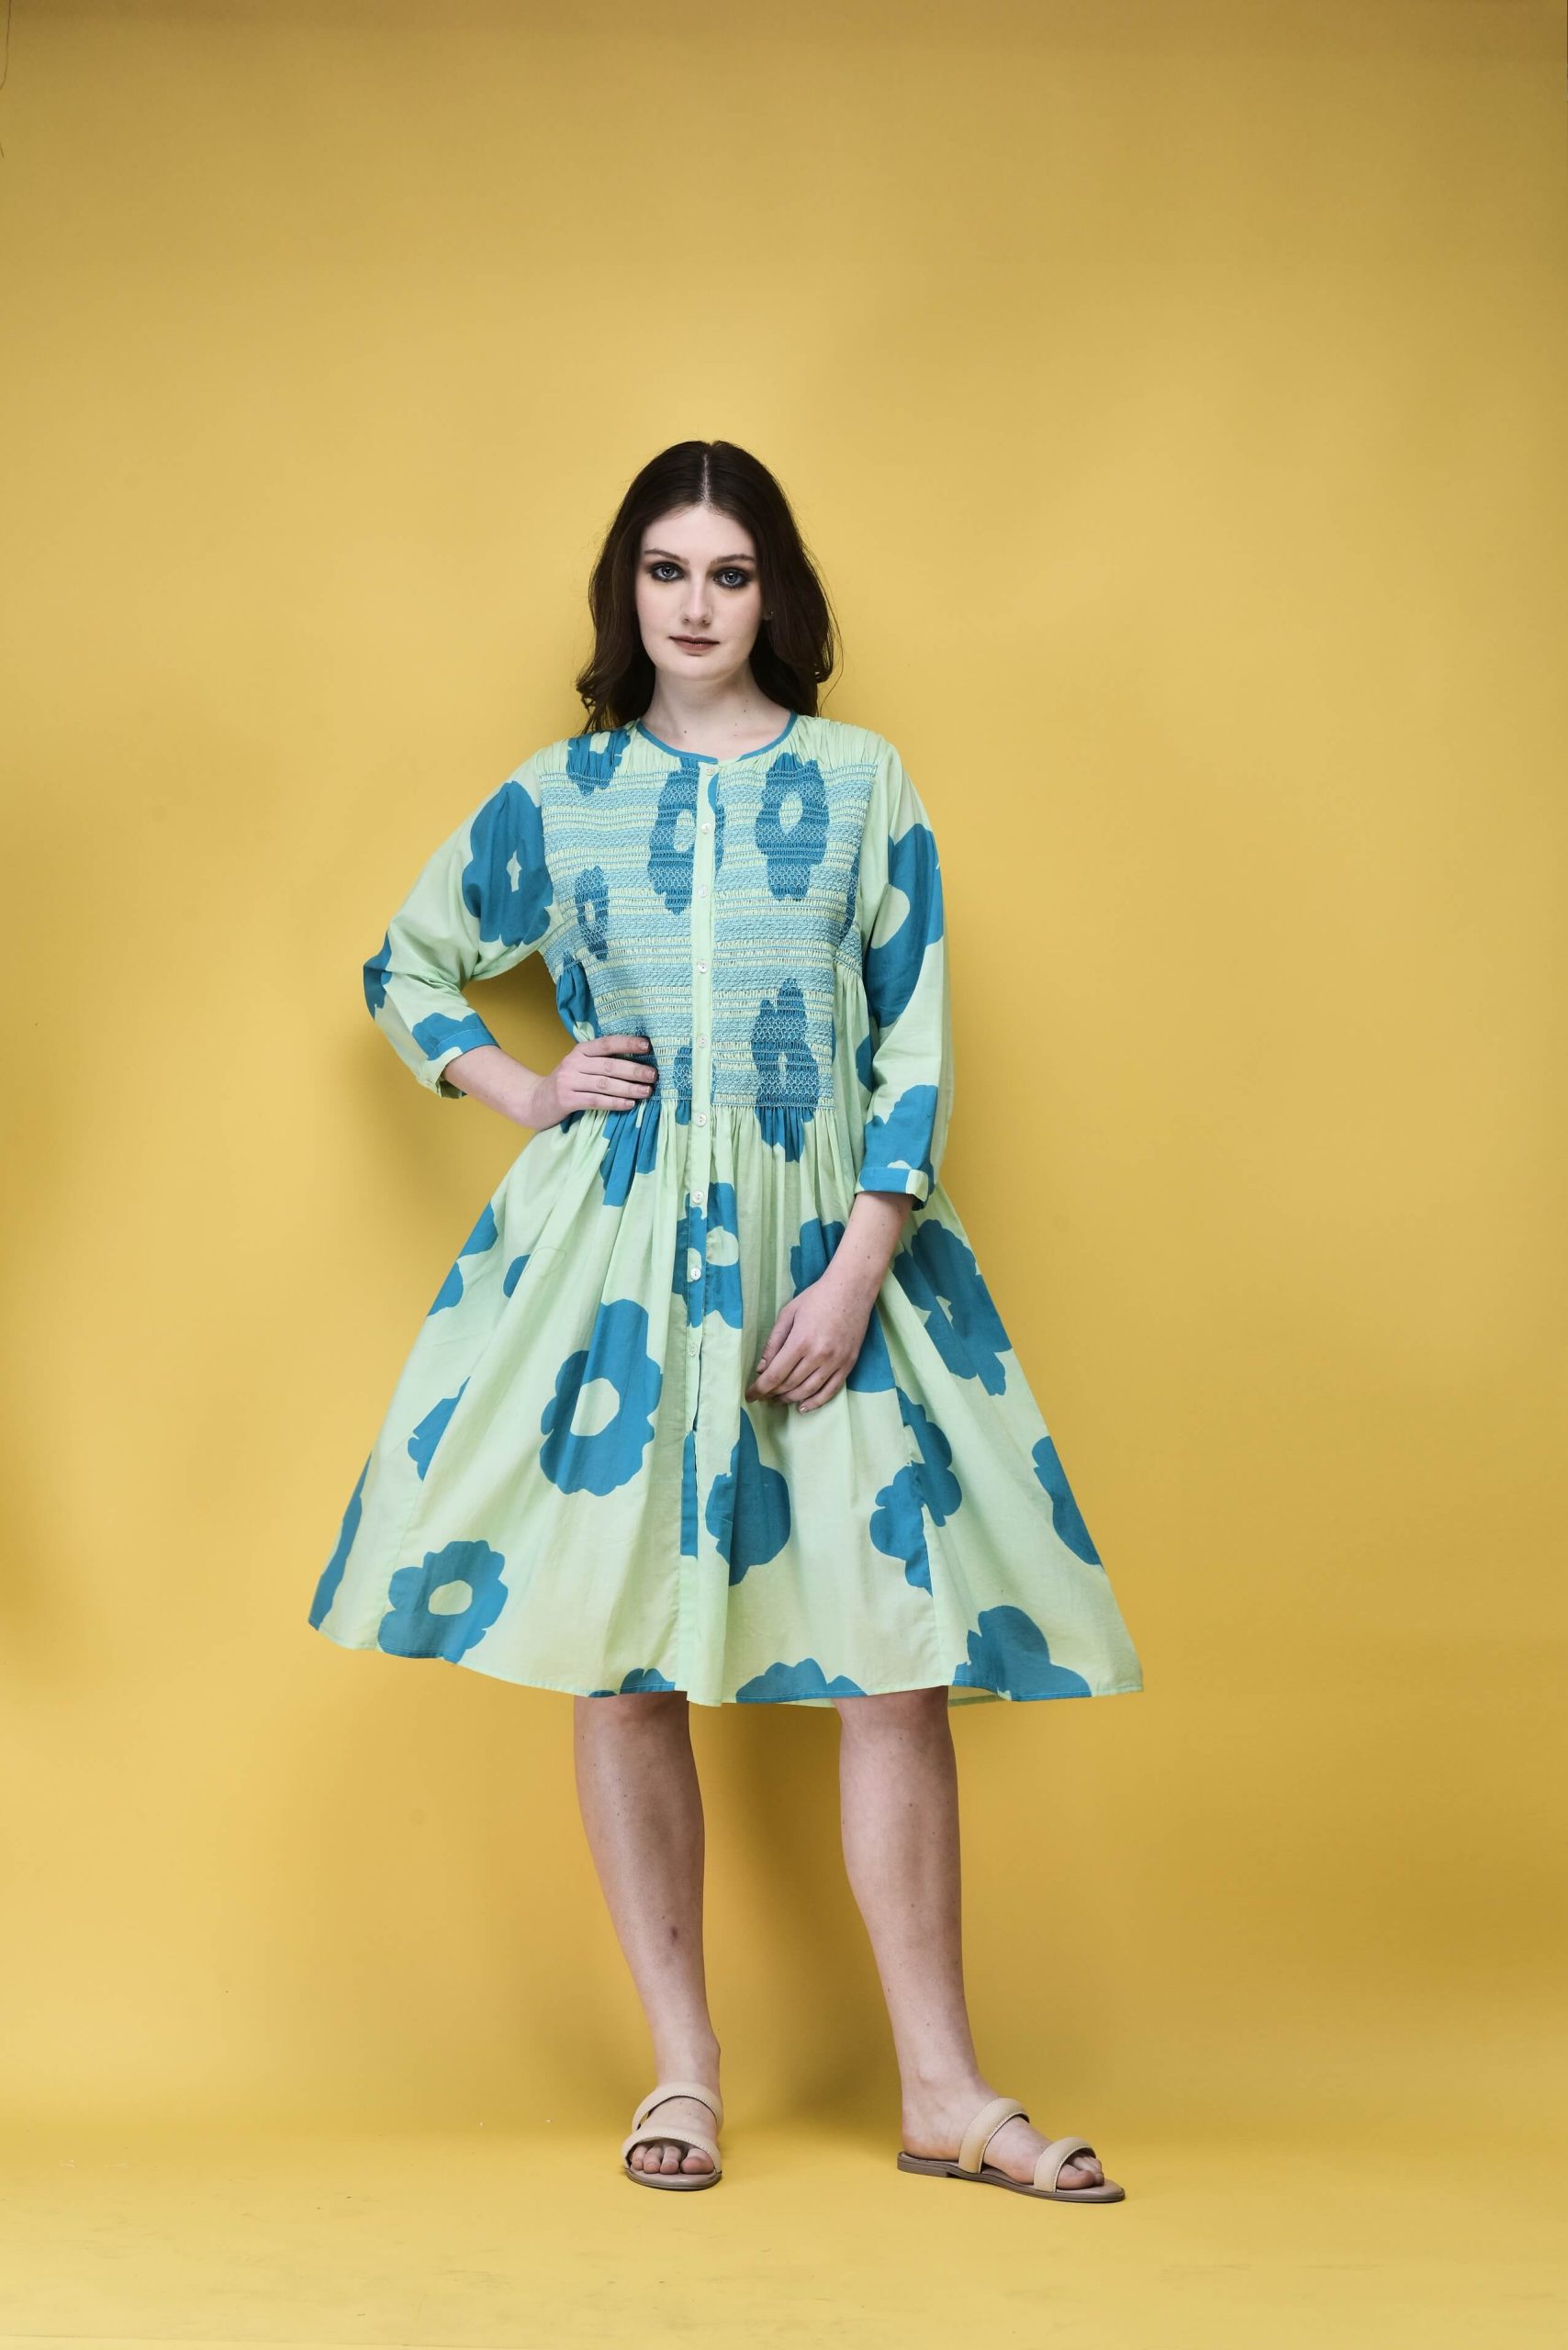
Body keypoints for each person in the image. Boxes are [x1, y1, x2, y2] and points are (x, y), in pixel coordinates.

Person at [308, 440, 1143, 2203]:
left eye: (732, 573)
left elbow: (915, 1037)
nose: (698, 605)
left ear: (777, 596)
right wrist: (526, 1087)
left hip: (831, 1248)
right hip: (617, 1266)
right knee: (624, 1669)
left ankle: (943, 2090)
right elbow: (406, 965)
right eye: (669, 570)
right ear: (629, 590)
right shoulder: (563, 793)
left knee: (895, 1669)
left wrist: (856, 1268)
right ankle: (681, 2074)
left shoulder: (861, 781)